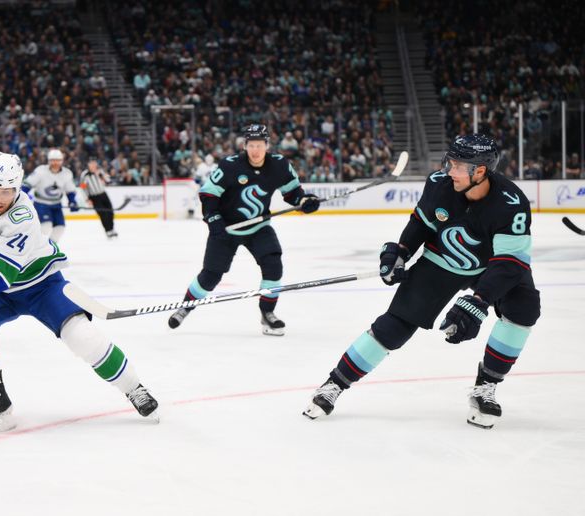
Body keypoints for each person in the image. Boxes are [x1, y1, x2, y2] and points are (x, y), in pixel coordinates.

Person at [303, 134, 540, 429]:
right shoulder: (439, 184)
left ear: (479, 171)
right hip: (441, 262)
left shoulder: (511, 202)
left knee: (524, 308)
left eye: (457, 165)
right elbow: (421, 223)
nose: (449, 170)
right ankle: (334, 384)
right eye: (450, 162)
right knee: (395, 325)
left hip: (491, 268)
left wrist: (480, 301)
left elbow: (510, 262)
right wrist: (401, 252)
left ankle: (486, 387)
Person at [0, 152, 158, 434]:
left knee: (82, 336)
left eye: (6, 191)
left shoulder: (24, 216)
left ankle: (133, 387)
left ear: (17, 188)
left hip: (40, 285)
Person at [167, 124, 321, 336]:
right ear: (245, 145)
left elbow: (293, 192)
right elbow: (208, 194)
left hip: (258, 226)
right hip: (226, 228)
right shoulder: (230, 166)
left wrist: (304, 201)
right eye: (251, 145)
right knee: (211, 276)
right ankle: (185, 307)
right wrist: (214, 220)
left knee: (273, 265)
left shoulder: (279, 165)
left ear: (267, 145)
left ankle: (267, 314)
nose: (255, 150)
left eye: (259, 145)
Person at [22, 149, 79, 243]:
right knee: (46, 226)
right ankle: (38, 246)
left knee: (60, 228)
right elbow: (27, 184)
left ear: (62, 161)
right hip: (41, 204)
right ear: (49, 161)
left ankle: (49, 248)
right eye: (53, 160)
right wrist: (22, 195)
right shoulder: (40, 171)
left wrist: (72, 201)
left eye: (58, 160)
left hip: (57, 205)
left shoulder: (67, 173)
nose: (55, 163)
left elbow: (70, 190)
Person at [79, 158, 117, 238]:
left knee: (110, 212)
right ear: (88, 165)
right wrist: (87, 199)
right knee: (103, 214)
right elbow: (83, 188)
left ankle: (112, 229)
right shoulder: (85, 175)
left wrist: (101, 175)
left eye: (94, 163)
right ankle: (108, 231)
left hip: (103, 194)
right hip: (94, 197)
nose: (93, 165)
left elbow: (108, 181)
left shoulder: (100, 171)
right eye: (91, 163)